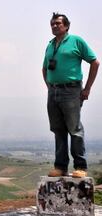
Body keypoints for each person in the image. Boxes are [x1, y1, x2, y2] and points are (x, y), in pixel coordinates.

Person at [42, 13, 99, 178]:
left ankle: (80, 167)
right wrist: (50, 87)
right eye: (52, 24)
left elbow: (94, 62)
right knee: (58, 130)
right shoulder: (50, 45)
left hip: (71, 90)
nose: (54, 26)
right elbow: (44, 68)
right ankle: (60, 167)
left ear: (66, 26)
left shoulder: (76, 41)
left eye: (58, 23)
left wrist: (87, 88)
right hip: (53, 91)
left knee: (74, 129)